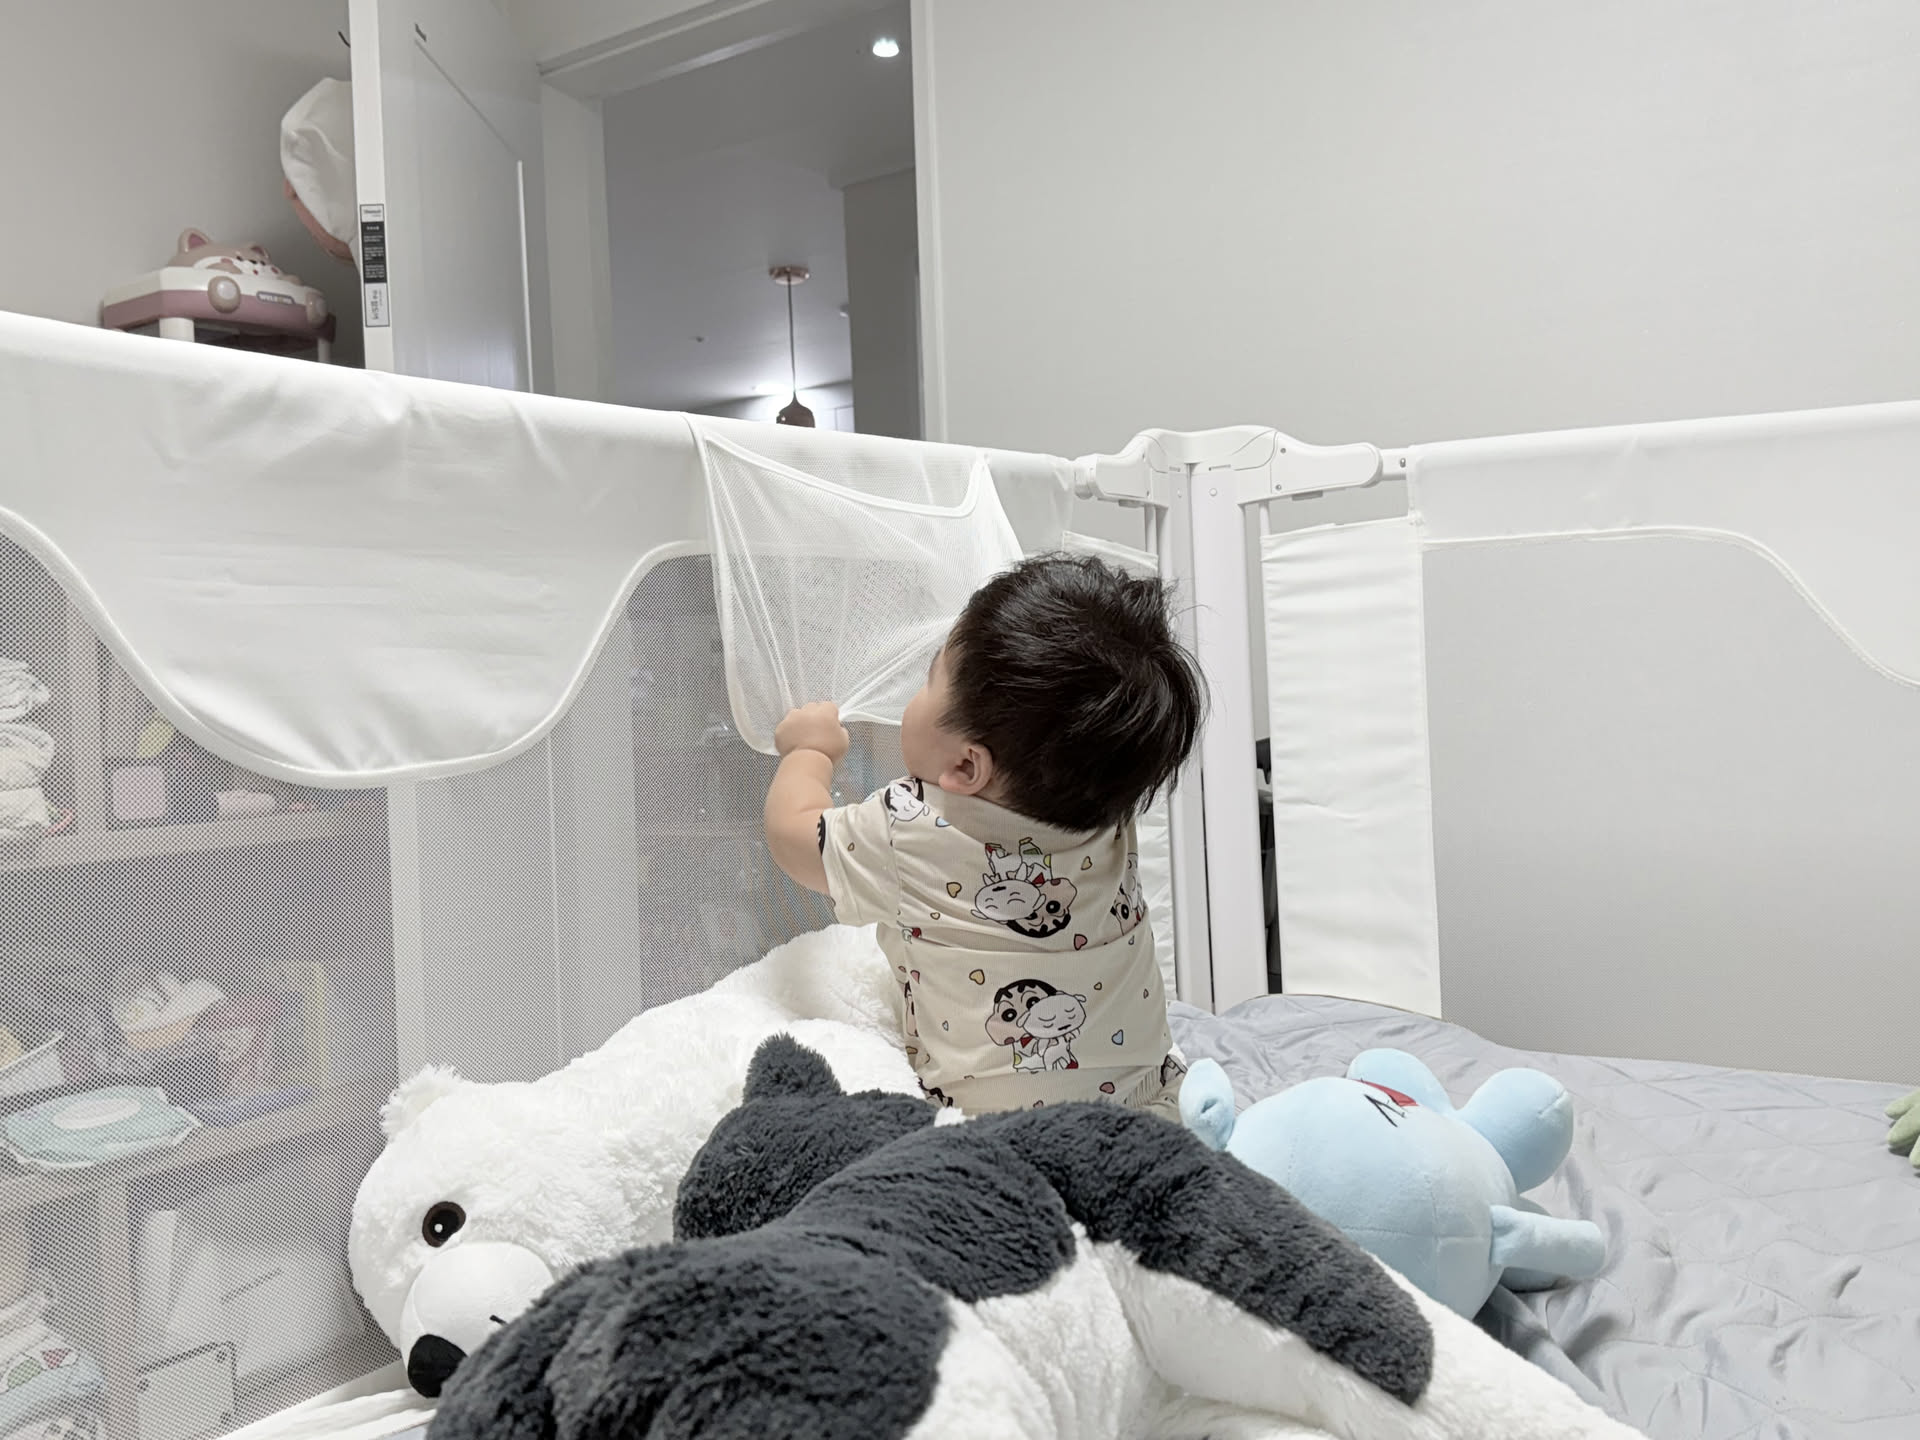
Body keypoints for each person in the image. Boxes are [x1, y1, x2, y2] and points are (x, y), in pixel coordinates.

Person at [764, 554, 1205, 1116]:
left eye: (929, 679)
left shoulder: (910, 828)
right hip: (1153, 1108)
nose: (914, 694)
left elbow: (793, 835)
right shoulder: (1107, 817)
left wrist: (809, 750)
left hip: (993, 1130)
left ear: (966, 767)